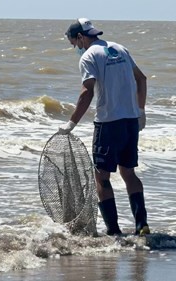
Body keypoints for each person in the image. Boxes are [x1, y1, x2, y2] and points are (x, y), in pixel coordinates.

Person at [58, 18, 149, 236]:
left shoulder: (89, 56)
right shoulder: (120, 48)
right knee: (128, 173)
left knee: (101, 177)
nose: (74, 47)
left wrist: (71, 123)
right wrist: (141, 111)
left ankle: (114, 231)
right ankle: (141, 226)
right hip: (130, 121)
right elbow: (142, 79)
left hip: (108, 123)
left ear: (80, 37)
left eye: (73, 43)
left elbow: (87, 91)